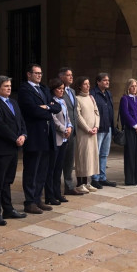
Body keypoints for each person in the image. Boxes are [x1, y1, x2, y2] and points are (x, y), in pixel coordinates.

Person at [18, 63, 61, 214]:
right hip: (34, 135)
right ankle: (29, 201)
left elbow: (57, 106)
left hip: (47, 135)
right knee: (32, 170)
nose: (39, 75)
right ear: (28, 74)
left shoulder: (43, 88)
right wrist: (47, 109)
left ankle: (37, 199)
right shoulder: (24, 89)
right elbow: (31, 110)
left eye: (40, 73)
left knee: (43, 169)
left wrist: (47, 107)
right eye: (36, 73)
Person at [0, 75, 27, 225]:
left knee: (8, 181)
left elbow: (21, 121)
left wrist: (23, 134)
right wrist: (15, 138)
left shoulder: (14, 102)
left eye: (10, 86)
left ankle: (8, 209)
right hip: (2, 149)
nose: (9, 88)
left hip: (14, 149)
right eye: (5, 86)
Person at [58, 67, 82, 196]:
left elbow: (74, 111)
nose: (71, 77)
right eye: (68, 75)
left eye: (71, 75)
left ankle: (69, 185)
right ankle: (55, 187)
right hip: (62, 131)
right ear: (61, 77)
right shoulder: (58, 92)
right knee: (59, 160)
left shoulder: (72, 91)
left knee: (69, 161)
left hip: (72, 131)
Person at [45, 78, 69, 204]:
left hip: (64, 138)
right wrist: (64, 129)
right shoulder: (51, 102)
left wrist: (69, 127)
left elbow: (67, 117)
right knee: (52, 168)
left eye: (63, 89)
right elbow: (53, 118)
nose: (61, 91)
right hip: (57, 137)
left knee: (59, 168)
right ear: (54, 89)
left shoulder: (63, 102)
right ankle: (49, 195)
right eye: (59, 89)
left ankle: (57, 192)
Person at [74, 76, 100, 191]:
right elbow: (78, 116)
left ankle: (87, 182)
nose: (88, 86)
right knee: (82, 157)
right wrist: (87, 128)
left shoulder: (91, 97)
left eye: (89, 83)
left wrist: (96, 126)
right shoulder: (77, 98)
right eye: (85, 84)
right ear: (80, 86)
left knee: (91, 157)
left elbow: (96, 113)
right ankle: (80, 183)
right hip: (83, 133)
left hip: (92, 132)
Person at [91, 73, 117, 187]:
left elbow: (111, 110)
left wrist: (113, 126)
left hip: (108, 127)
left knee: (104, 154)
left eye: (108, 80)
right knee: (96, 153)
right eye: (105, 80)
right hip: (99, 128)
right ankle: (94, 178)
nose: (107, 82)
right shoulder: (93, 94)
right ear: (98, 82)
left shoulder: (108, 94)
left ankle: (102, 177)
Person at [120, 78, 137, 185]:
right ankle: (130, 179)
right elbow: (125, 114)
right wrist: (135, 126)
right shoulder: (125, 99)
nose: (134, 88)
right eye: (132, 86)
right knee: (130, 154)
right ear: (128, 87)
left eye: (136, 86)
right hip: (131, 129)